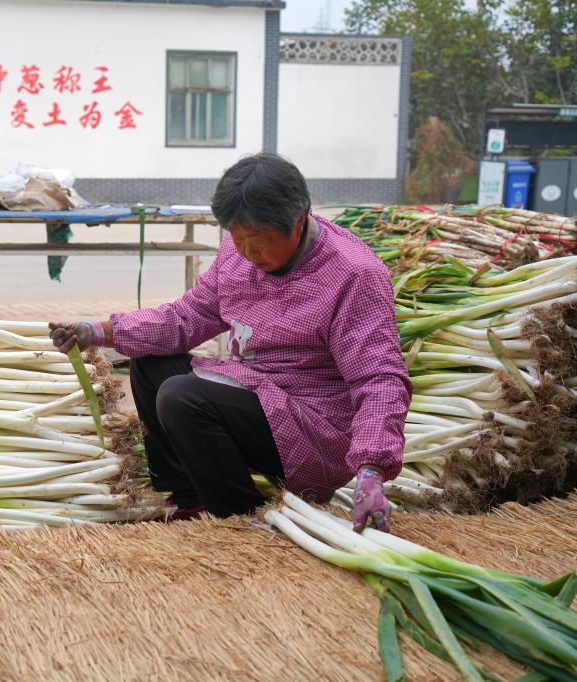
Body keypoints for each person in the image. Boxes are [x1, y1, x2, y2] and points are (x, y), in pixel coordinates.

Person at [49, 153, 411, 533]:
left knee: (181, 395)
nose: (249, 253)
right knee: (151, 363)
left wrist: (371, 466)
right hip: (256, 396)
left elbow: (379, 378)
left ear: (299, 220)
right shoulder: (237, 258)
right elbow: (185, 318)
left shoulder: (354, 274)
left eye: (261, 240)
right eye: (238, 238)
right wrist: (99, 331)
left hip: (312, 426)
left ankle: (239, 514)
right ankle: (191, 498)